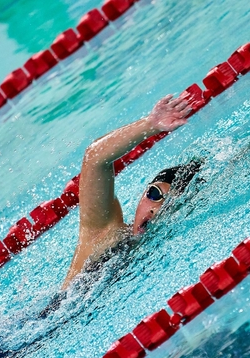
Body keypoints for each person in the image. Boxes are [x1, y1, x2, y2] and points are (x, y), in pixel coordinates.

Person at [62, 94, 200, 290]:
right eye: (154, 195)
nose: (155, 209)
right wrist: (150, 125)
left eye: (169, 204)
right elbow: (95, 158)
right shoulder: (105, 234)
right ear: (142, 196)